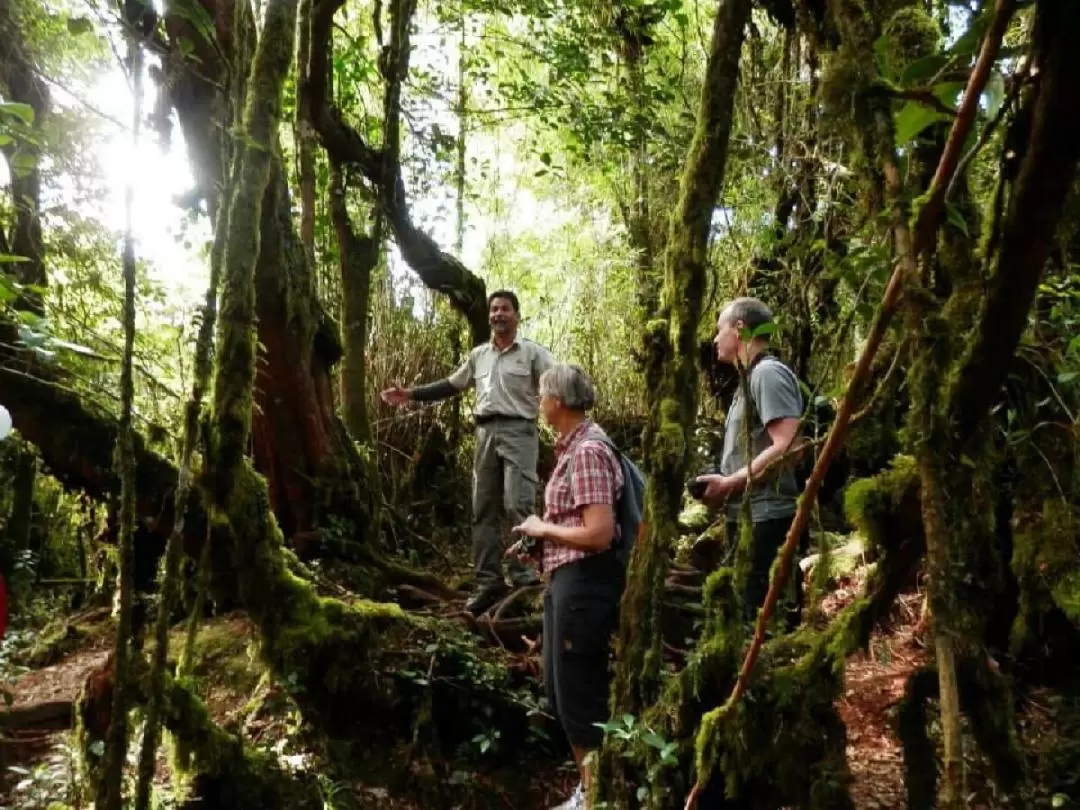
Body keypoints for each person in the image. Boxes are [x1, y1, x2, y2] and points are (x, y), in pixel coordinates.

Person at [380, 290, 555, 615]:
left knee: (518, 504)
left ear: (516, 315)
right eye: (493, 309)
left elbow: (557, 381)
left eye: (504, 309)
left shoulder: (532, 353)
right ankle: (487, 582)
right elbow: (451, 384)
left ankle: (525, 577)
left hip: (520, 431)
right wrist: (410, 394)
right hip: (485, 432)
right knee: (483, 509)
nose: (498, 314)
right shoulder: (479, 356)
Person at [508, 364, 625, 810]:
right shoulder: (572, 449)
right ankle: (590, 789)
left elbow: (598, 533)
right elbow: (575, 525)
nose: (539, 404)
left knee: (579, 696)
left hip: (586, 586)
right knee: (559, 691)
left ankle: (599, 798)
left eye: (541, 396)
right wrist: (539, 539)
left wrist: (544, 527)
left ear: (557, 401)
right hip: (567, 582)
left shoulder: (589, 451)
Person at [694, 296, 806, 629]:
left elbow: (789, 447)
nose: (715, 339)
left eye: (719, 329)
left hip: (767, 517)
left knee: (759, 618)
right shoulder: (749, 379)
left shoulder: (767, 373)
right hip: (748, 515)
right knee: (743, 612)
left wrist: (729, 483)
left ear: (740, 328)